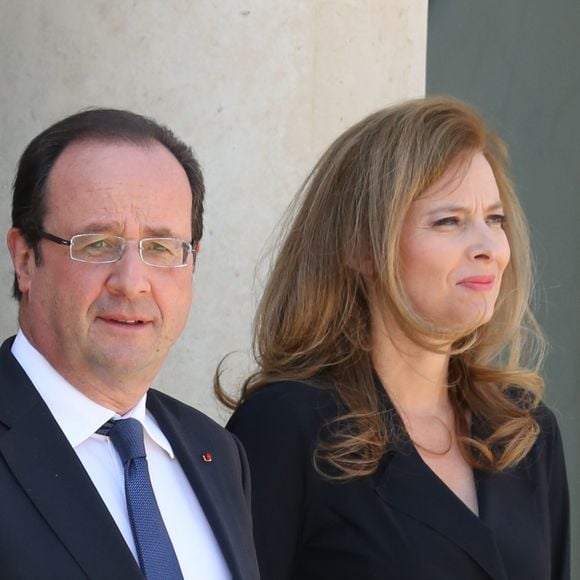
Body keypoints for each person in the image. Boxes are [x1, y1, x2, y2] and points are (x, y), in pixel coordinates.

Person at [219, 97, 570, 579]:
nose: (489, 248)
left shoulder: (525, 432)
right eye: (449, 221)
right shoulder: (285, 427)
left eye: (495, 220)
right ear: (362, 249)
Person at [0, 109, 259, 580]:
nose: (132, 283)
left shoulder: (218, 454)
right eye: (98, 243)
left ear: (192, 263)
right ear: (24, 259)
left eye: (161, 248)